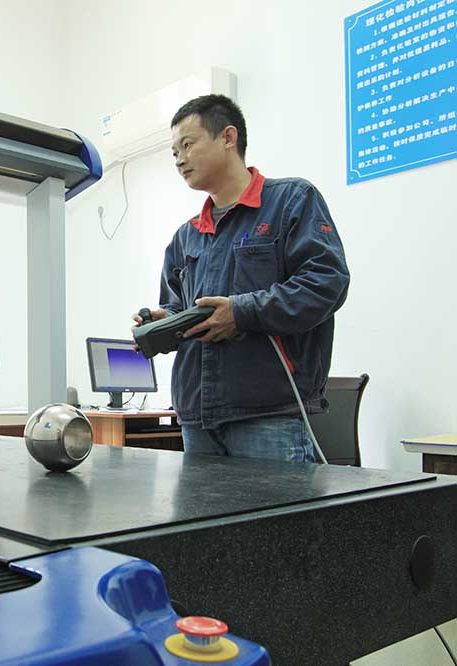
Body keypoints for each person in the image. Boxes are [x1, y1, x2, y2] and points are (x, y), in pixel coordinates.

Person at [132, 94, 350, 462]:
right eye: (174, 153)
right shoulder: (185, 237)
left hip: (268, 414)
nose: (180, 159)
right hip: (196, 418)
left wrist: (242, 312)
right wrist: (165, 323)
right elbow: (177, 306)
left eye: (188, 144)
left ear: (228, 137)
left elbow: (326, 282)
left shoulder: (291, 201)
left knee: (276, 506)